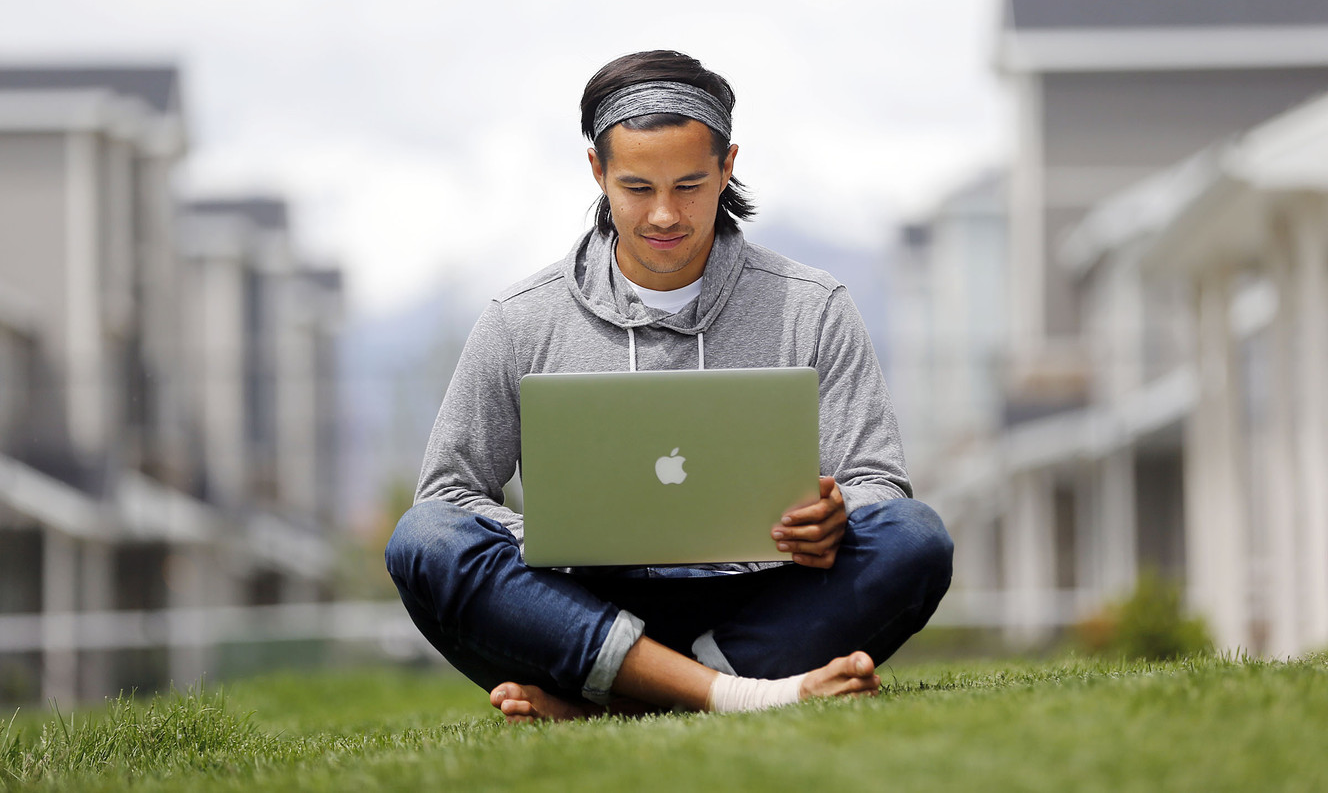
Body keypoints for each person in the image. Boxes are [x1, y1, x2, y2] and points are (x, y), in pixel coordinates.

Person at [386, 50, 952, 723]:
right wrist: (548, 534)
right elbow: (447, 494)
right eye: (637, 187)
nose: (663, 215)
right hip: (578, 605)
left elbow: (879, 485)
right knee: (425, 540)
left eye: (688, 186)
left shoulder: (813, 306)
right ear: (597, 172)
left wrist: (836, 516)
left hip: (761, 598)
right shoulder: (521, 318)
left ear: (727, 166)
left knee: (915, 538)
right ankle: (726, 694)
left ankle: (617, 703)